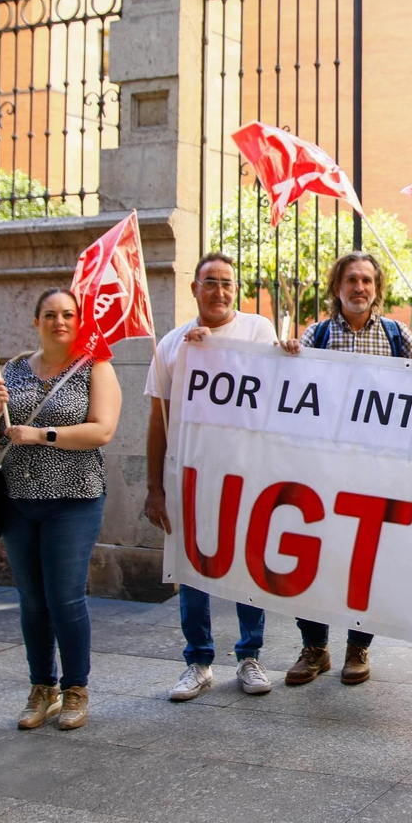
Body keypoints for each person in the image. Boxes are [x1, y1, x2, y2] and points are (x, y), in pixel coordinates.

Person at [277, 251, 412, 686]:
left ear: (377, 289)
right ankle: (314, 648)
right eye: (351, 280)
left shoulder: (395, 334)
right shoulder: (315, 334)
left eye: (367, 281)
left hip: (376, 470)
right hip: (323, 469)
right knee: (315, 553)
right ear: (337, 288)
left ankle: (357, 646)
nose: (359, 288)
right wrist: (288, 353)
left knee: (364, 559)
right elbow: (288, 388)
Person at [0, 288, 121, 731]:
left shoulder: (95, 366)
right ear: (36, 322)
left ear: (79, 321)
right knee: (32, 601)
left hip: (73, 499)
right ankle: (43, 687)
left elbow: (102, 431)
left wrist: (42, 435)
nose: (60, 322)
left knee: (65, 598)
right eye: (51, 315)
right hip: (19, 500)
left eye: (69, 315)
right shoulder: (14, 368)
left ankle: (76, 687)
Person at [144, 253, 277, 702]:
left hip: (246, 473)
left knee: (246, 567)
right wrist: (153, 489)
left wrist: (291, 355)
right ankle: (198, 662)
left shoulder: (257, 329)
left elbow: (278, 386)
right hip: (189, 478)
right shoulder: (171, 344)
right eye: (210, 282)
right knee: (192, 570)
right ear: (194, 288)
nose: (219, 291)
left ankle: (249, 655)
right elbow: (157, 422)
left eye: (227, 282)